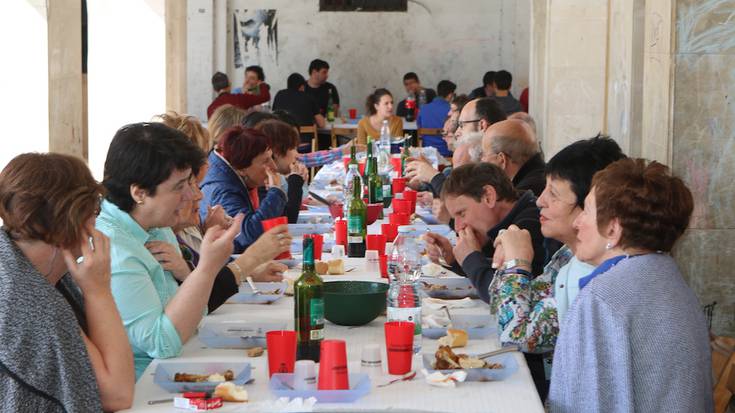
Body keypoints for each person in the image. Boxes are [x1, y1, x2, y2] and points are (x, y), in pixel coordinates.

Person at [548, 158, 712, 412]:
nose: (576, 223)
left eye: (588, 211)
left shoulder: (601, 298)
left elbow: (586, 403)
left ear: (613, 230)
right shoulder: (670, 278)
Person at [96, 122, 244, 379]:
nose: (192, 195)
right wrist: (206, 269)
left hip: (181, 366)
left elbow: (196, 314)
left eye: (189, 182)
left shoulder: (155, 223)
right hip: (144, 389)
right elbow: (162, 343)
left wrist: (192, 274)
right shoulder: (113, 250)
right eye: (179, 187)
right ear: (139, 193)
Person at [488, 136, 625, 401]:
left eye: (553, 193)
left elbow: (515, 336)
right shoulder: (570, 253)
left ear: (591, 205)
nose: (539, 201)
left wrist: (518, 265)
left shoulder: (596, 272)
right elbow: (501, 310)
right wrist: (507, 263)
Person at [0, 153, 134, 412]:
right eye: (94, 210)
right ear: (75, 220)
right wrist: (99, 291)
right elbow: (117, 394)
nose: (97, 221)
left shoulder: (18, 269)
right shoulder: (28, 302)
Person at [152, 114, 291, 313]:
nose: (199, 195)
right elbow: (246, 236)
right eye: (187, 183)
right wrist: (249, 261)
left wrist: (248, 271)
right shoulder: (219, 186)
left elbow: (201, 268)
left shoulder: (170, 228)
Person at [424, 162, 545, 303]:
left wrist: (471, 259)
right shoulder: (501, 223)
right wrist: (455, 259)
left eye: (461, 213)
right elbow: (493, 273)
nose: (458, 227)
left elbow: (503, 298)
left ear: (488, 196)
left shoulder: (529, 225)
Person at [200, 126, 287, 253]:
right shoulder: (223, 189)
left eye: (271, 157)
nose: (274, 166)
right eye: (265, 161)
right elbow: (249, 235)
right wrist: (275, 193)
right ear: (241, 168)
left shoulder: (244, 178)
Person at [405, 97, 506, 196]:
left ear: (482, 125)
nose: (457, 132)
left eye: (462, 125)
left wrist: (433, 176)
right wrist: (425, 183)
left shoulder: (488, 158)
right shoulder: (482, 152)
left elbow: (458, 197)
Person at [255, 119, 307, 223]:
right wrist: (295, 181)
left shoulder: (273, 176)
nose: (297, 154)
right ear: (278, 152)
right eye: (293, 148)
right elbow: (288, 219)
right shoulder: (261, 180)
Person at [481, 119, 546, 196]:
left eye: (484, 154)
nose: (482, 160)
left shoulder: (521, 197)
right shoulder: (548, 176)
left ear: (501, 159)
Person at [417, 80, 456, 157]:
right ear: (450, 95)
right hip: (447, 153)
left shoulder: (423, 109)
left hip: (427, 153)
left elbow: (419, 128)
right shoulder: (452, 110)